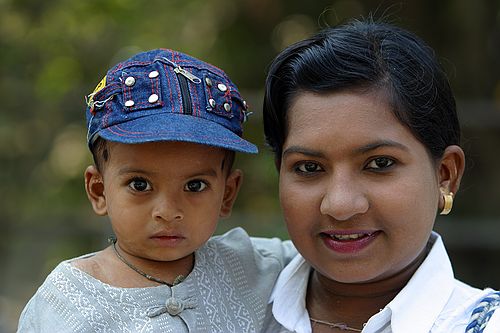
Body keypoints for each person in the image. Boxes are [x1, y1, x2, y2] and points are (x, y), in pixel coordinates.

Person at [17, 48, 295, 332]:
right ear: (99, 191)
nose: (168, 212)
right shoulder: (67, 301)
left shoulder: (253, 267)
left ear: (227, 194)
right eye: (140, 185)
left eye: (195, 185)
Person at [261, 19, 500, 333]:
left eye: (379, 164)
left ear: (445, 175)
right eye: (309, 168)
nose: (340, 204)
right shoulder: (216, 301)